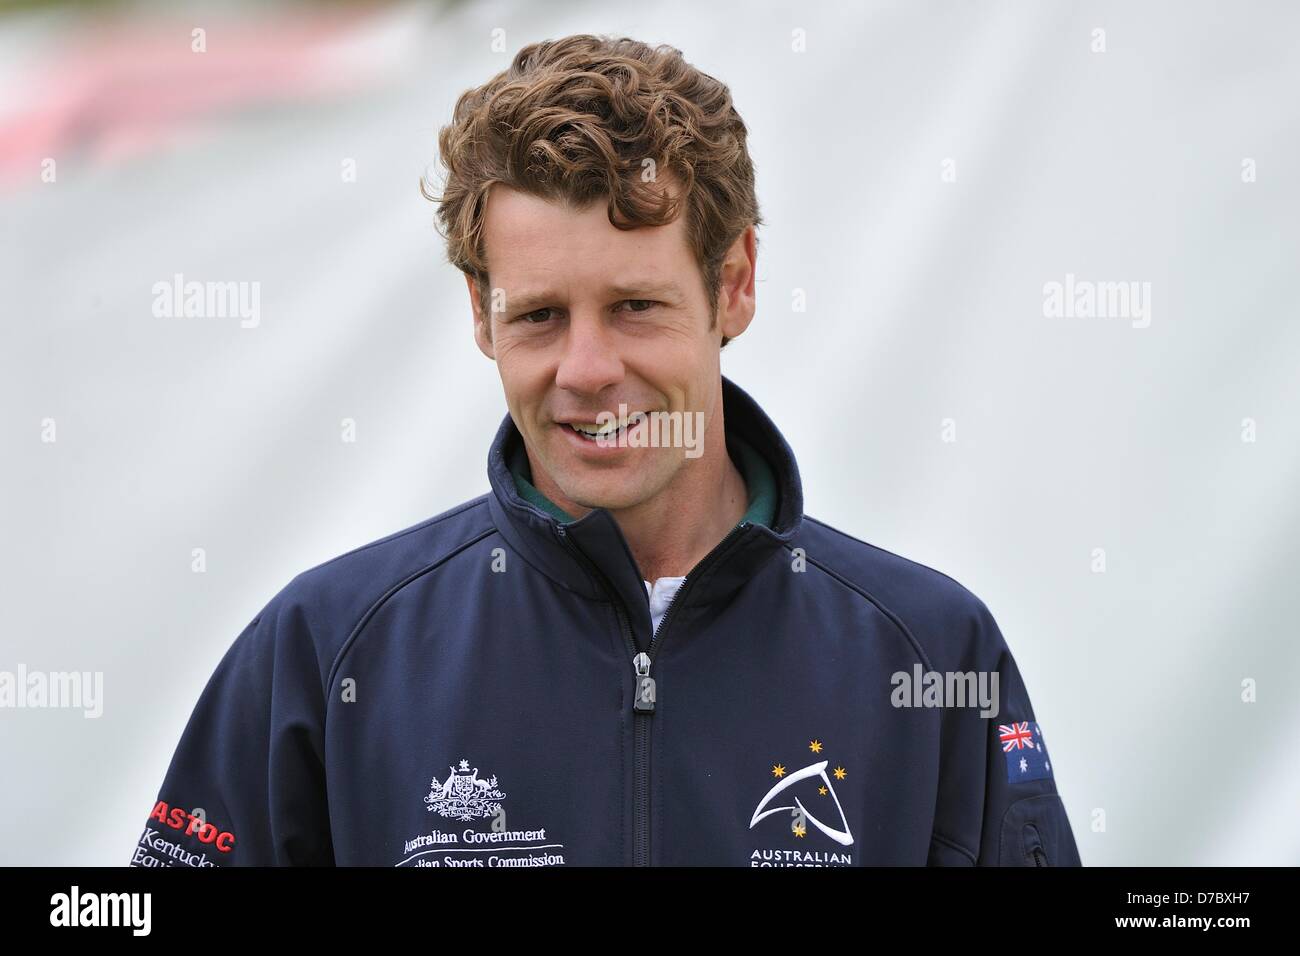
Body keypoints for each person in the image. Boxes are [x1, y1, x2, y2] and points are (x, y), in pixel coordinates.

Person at [130, 34, 1081, 868]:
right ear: (480, 314)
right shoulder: (324, 650)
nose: (587, 370)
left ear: (735, 283)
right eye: (540, 316)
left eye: (635, 305)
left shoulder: (933, 653)